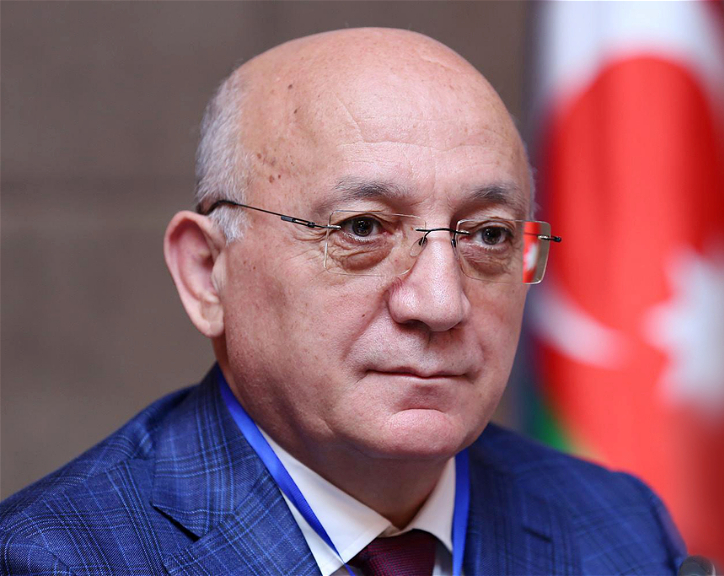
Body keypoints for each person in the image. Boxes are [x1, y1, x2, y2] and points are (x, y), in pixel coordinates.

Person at [0, 28, 685, 575]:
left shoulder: (622, 531)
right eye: (362, 228)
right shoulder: (56, 559)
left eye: (488, 235)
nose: (440, 303)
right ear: (208, 274)